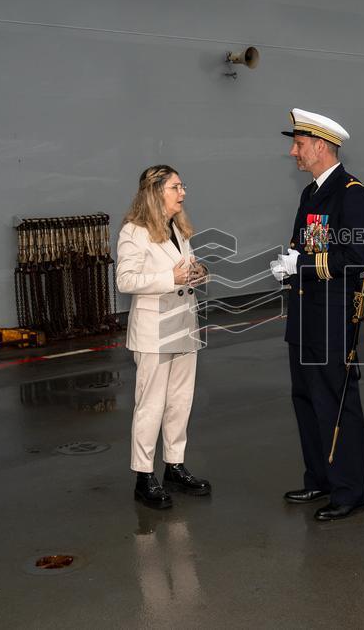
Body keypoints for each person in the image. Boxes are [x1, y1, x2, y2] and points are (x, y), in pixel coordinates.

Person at [272, 109, 364, 521]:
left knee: (336, 402)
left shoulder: (351, 193)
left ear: (320, 146)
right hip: (305, 314)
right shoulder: (311, 193)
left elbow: (354, 258)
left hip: (333, 320)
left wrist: (304, 267)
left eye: (298, 144)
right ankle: (319, 478)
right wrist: (289, 264)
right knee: (306, 400)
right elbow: (306, 246)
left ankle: (350, 491)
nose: (293, 152)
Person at [116, 165, 210, 509]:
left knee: (179, 401)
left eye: (182, 186)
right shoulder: (134, 231)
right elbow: (125, 281)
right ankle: (144, 475)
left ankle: (174, 465)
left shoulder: (177, 229)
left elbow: (184, 268)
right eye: (175, 187)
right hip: (154, 330)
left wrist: (197, 272)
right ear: (156, 192)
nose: (182, 192)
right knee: (150, 404)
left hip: (184, 325)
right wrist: (169, 277)